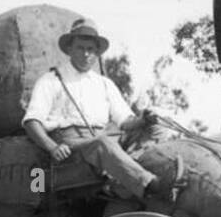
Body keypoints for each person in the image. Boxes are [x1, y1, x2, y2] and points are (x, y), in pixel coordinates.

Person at [22, 17, 179, 202]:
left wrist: (145, 119)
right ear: (70, 49)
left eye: (91, 49)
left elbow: (125, 121)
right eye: (80, 48)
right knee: (102, 143)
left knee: (158, 127)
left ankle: (126, 180)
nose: (86, 54)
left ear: (97, 53)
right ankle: (150, 185)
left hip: (104, 140)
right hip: (71, 146)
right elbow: (32, 121)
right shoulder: (51, 80)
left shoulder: (104, 84)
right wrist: (52, 147)